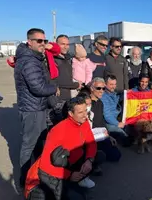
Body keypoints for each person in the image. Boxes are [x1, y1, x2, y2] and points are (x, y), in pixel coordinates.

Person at [14, 28, 58, 188]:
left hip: (34, 107)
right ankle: (25, 181)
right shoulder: (30, 61)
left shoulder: (32, 58)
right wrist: (54, 88)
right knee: (29, 146)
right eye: (39, 41)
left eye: (44, 41)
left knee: (37, 144)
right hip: (32, 110)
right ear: (30, 42)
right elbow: (38, 88)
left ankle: (36, 175)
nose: (43, 44)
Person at [34, 97, 96, 199]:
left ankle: (77, 181)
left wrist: (89, 160)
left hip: (73, 162)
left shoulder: (84, 122)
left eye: (86, 110)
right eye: (80, 112)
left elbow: (91, 143)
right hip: (58, 170)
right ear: (71, 114)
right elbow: (45, 165)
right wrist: (69, 175)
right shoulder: (58, 131)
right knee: (79, 197)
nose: (85, 115)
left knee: (99, 156)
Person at [89, 77, 121, 162]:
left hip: (100, 134)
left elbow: (101, 121)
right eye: (98, 88)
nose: (101, 90)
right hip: (89, 136)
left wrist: (109, 136)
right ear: (92, 88)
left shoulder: (100, 103)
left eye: (103, 88)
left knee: (116, 155)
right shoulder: (87, 103)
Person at [101, 75, 130, 145]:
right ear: (105, 84)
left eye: (114, 84)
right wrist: (117, 124)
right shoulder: (103, 96)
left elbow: (118, 99)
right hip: (108, 122)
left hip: (116, 118)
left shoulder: (113, 93)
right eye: (111, 84)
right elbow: (107, 115)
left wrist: (127, 93)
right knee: (126, 139)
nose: (113, 86)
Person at [54, 35, 82, 101]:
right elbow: (58, 81)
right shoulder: (53, 60)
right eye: (62, 44)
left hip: (69, 96)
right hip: (59, 98)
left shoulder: (68, 58)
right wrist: (76, 85)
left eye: (67, 44)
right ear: (56, 44)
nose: (65, 47)